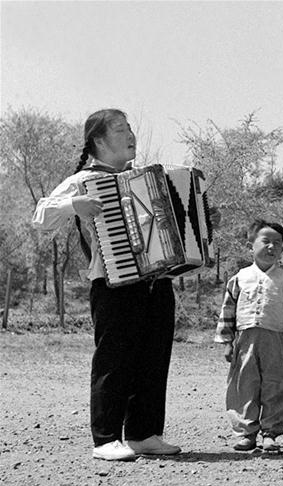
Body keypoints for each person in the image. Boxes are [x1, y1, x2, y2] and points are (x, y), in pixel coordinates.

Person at [32, 108, 181, 461]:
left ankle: (144, 434)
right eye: (119, 129)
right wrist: (74, 204)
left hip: (156, 282)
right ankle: (106, 438)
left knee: (154, 358)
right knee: (114, 361)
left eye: (130, 128)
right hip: (112, 282)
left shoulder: (147, 179)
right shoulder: (84, 180)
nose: (130, 134)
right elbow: (40, 217)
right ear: (99, 140)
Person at [215, 220, 283, 452]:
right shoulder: (240, 278)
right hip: (245, 340)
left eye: (278, 243)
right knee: (244, 383)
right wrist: (227, 341)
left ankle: (271, 433)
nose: (271, 247)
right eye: (266, 242)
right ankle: (246, 432)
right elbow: (228, 310)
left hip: (275, 340)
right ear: (250, 245)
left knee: (276, 384)